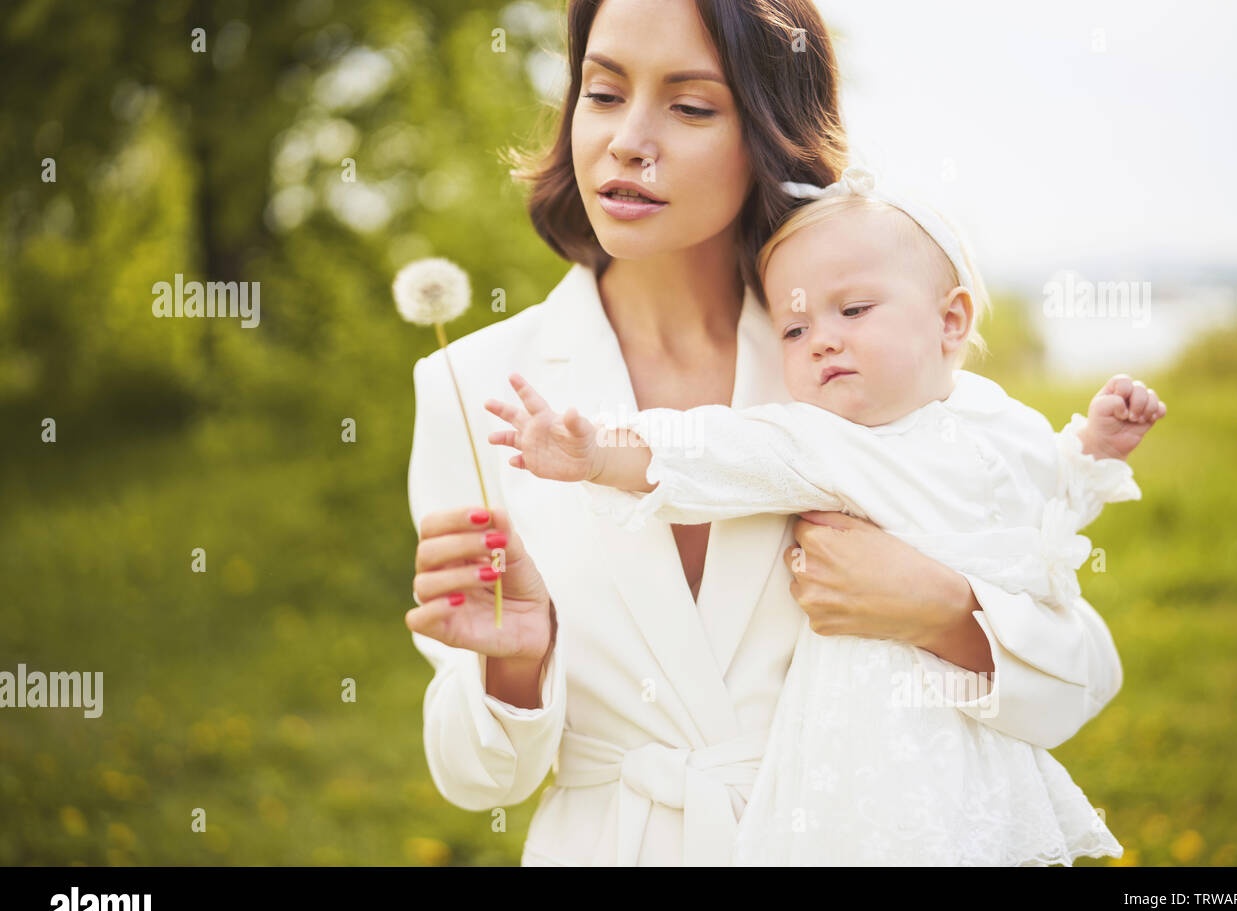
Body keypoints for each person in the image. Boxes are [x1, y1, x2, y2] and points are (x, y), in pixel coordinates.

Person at [406, 0, 1123, 866]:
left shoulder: (858, 361)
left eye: (691, 105)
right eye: (602, 93)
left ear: (769, 132)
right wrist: (514, 665)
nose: (630, 139)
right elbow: (477, 780)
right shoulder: (472, 383)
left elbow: (1081, 679)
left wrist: (942, 611)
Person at [483, 166, 1167, 865]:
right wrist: (598, 451)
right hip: (864, 732)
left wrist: (1092, 446)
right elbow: (714, 451)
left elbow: (1045, 498)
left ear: (951, 319)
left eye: (854, 311)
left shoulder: (997, 417)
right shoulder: (822, 439)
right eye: (795, 326)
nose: (821, 341)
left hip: (984, 742)